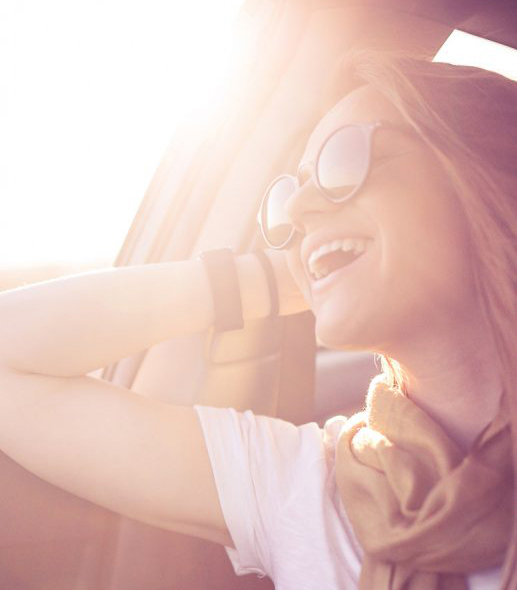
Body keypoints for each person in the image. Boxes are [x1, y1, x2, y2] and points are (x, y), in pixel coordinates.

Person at [0, 49, 515, 590]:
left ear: (480, 176)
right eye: (289, 194)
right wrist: (286, 275)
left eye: (343, 162)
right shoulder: (300, 484)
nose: (297, 212)